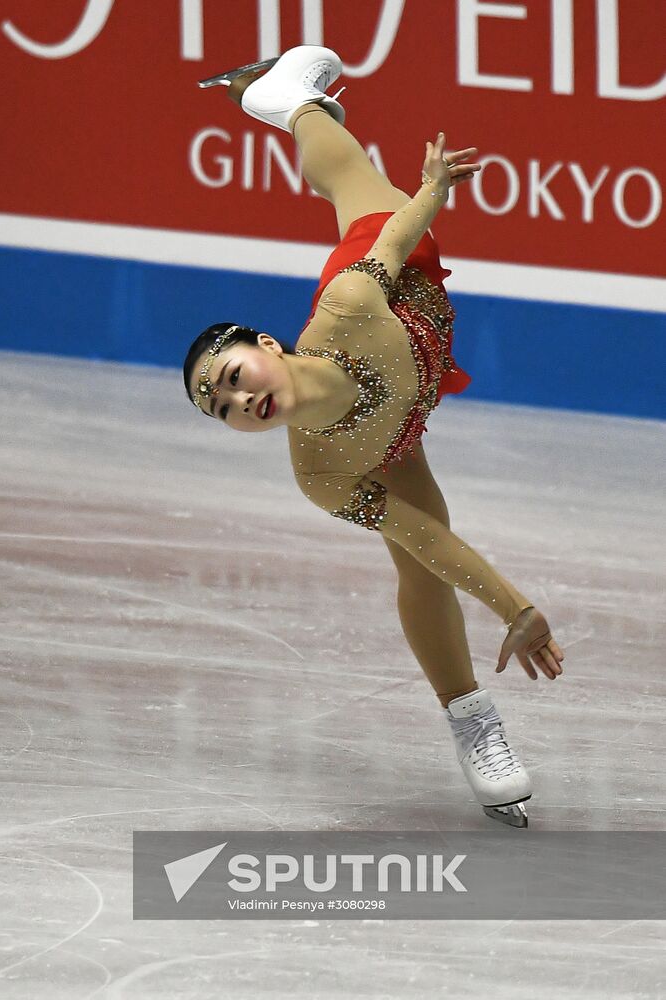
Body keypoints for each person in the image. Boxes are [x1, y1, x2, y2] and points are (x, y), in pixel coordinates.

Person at [183, 46, 564, 827]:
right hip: (393, 429)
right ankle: (473, 724)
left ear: (265, 346)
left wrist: (430, 190)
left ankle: (293, 101)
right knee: (420, 559)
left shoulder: (350, 304)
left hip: (399, 294)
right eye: (219, 408)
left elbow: (391, 240)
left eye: (231, 375)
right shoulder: (322, 473)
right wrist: (514, 609)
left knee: (351, 184)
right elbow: (425, 536)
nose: (238, 400)